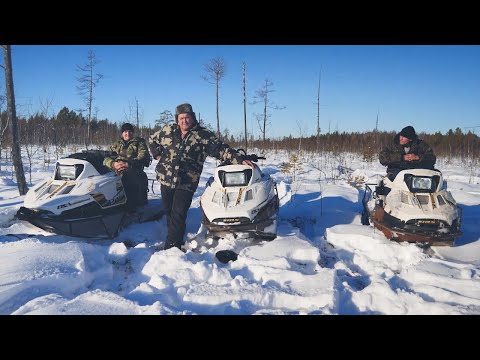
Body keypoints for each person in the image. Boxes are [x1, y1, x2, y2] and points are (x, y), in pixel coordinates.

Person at [149, 103, 254, 251]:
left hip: (187, 181)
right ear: (177, 119)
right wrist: (157, 153)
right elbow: (152, 140)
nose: (184, 121)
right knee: (169, 211)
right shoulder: (168, 131)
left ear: (192, 118)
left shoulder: (203, 135)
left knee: (178, 214)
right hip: (166, 179)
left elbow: (221, 149)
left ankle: (172, 247)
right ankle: (175, 234)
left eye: (187, 117)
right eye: (181, 118)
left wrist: (240, 159)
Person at [103, 122, 150, 210]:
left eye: (130, 131)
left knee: (126, 177)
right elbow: (106, 158)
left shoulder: (139, 143)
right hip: (116, 169)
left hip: (134, 170)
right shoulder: (116, 144)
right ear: (122, 133)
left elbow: (143, 157)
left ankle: (129, 207)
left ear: (133, 133)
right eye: (125, 131)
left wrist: (129, 164)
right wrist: (113, 164)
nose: (127, 134)